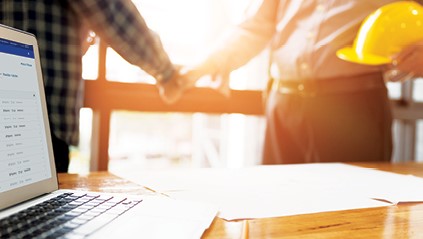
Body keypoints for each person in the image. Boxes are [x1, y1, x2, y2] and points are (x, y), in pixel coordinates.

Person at [176, 0, 423, 164]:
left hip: (352, 105)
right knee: (277, 214)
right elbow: (254, 27)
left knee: (349, 213)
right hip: (282, 103)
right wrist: (203, 66)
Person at [0, 0, 181, 172]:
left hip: (22, 121)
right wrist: (165, 72)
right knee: (39, 202)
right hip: (41, 126)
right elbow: (111, 12)